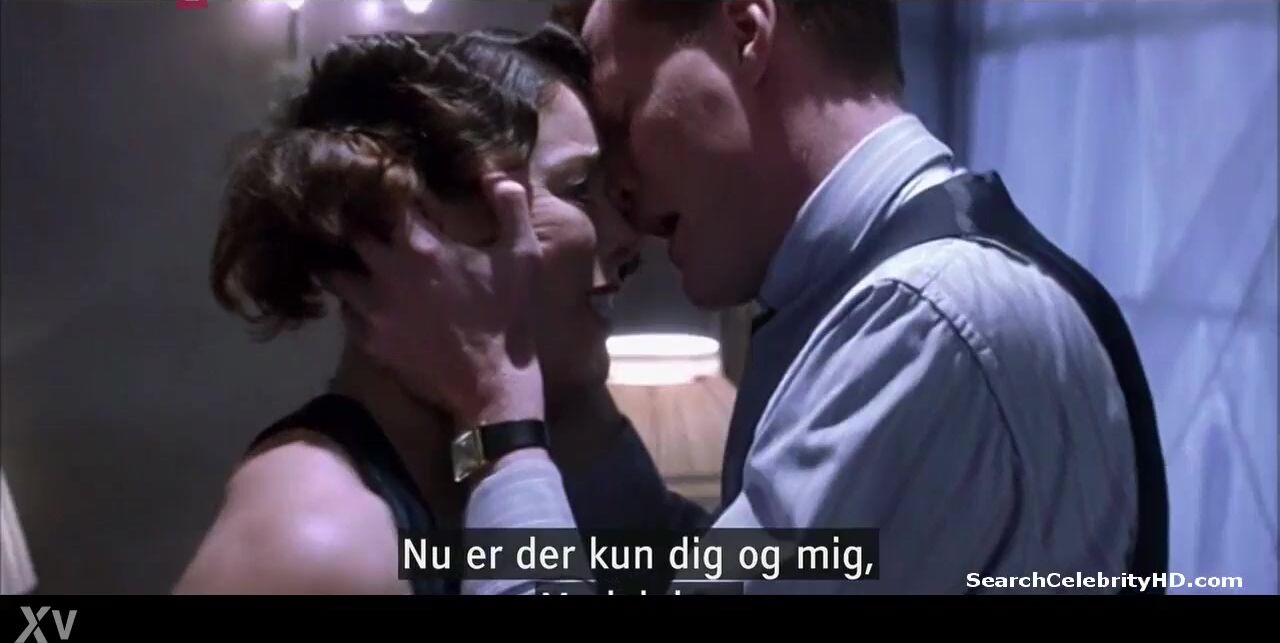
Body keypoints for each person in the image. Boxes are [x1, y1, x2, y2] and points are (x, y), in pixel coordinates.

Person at [333, 0, 1168, 594]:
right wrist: (569, 402)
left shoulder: (924, 324)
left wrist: (499, 422)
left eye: (623, 119)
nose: (623, 194)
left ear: (745, 32)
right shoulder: (885, 298)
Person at [173, 23, 686, 594]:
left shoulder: (478, 469)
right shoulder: (315, 544)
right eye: (578, 189)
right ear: (418, 227)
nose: (629, 237)